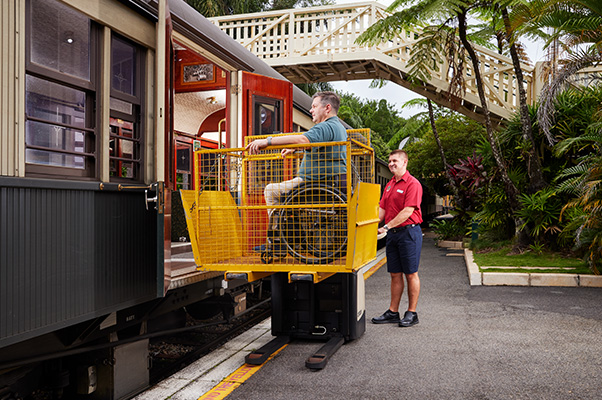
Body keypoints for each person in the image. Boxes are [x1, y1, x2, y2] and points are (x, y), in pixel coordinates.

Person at [246, 91, 347, 254]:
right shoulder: (337, 127)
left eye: (314, 106)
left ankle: (278, 241)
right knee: (284, 198)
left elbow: (303, 139)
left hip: (317, 183)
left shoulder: (326, 126)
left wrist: (267, 141)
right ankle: (289, 236)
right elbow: (315, 145)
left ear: (327, 108)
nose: (311, 110)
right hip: (328, 182)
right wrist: (296, 147)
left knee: (271, 190)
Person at [372, 150, 423, 327]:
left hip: (409, 233)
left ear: (404, 162)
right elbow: (382, 210)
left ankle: (412, 313)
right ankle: (393, 312)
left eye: (394, 160)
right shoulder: (389, 185)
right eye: (389, 161)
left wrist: (386, 226)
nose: (391, 163)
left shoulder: (412, 184)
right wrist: (368, 225)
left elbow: (408, 211)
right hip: (393, 235)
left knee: (411, 273)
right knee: (395, 274)